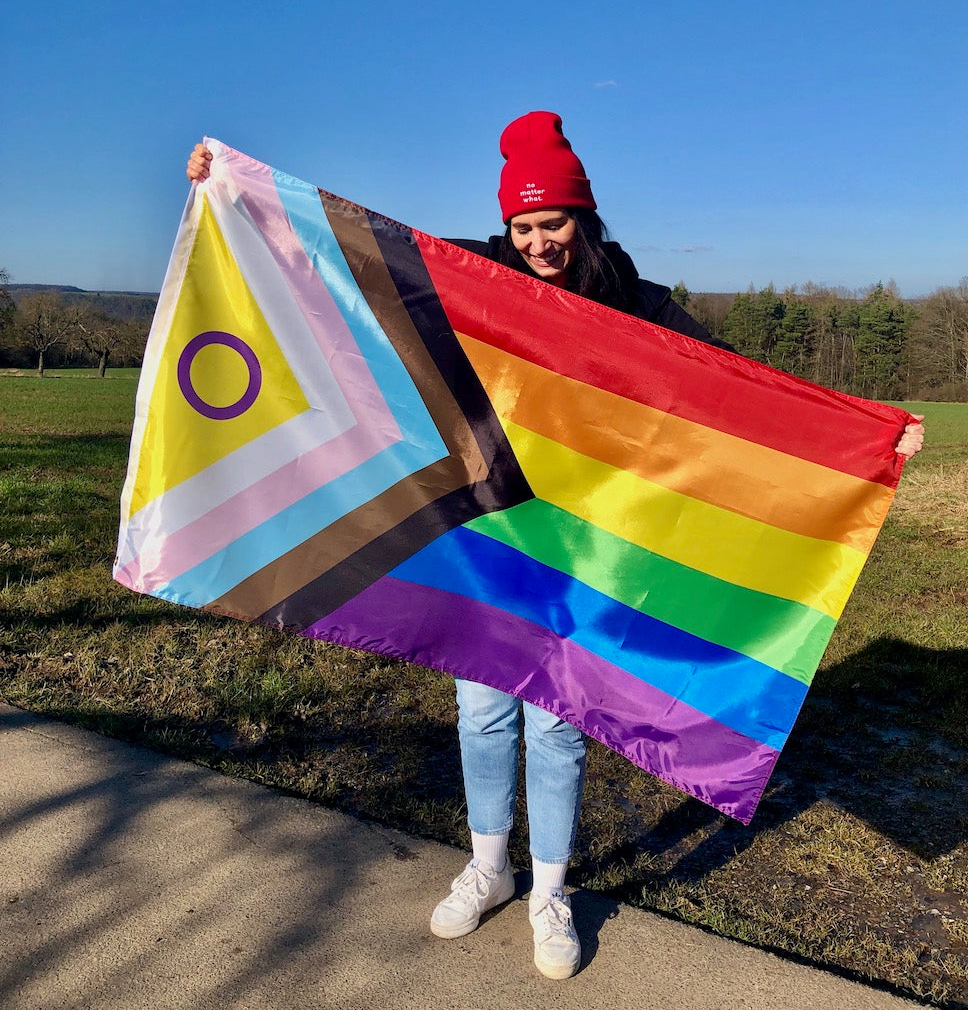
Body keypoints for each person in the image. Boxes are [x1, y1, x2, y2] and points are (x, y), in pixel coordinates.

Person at [185, 114, 925, 981]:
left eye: (554, 224)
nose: (538, 242)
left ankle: (550, 892)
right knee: (483, 708)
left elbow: (732, 382)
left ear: (585, 218)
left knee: (559, 719)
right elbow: (355, 263)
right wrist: (240, 194)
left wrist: (868, 433)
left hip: (583, 549)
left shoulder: (632, 299)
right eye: (525, 227)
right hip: (492, 532)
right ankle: (488, 868)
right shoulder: (477, 274)